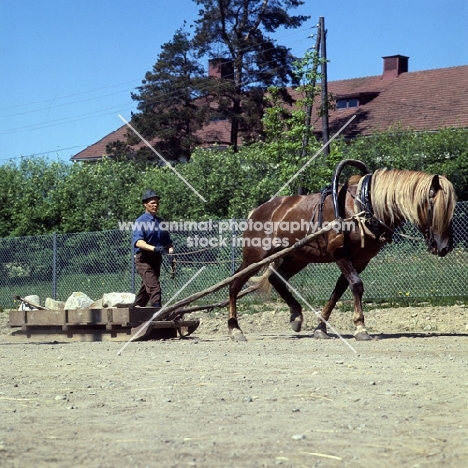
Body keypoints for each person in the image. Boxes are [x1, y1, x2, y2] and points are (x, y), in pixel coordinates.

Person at [132, 189, 174, 309]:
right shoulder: (140, 221)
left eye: (156, 203)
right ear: (145, 204)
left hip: (156, 259)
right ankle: (157, 313)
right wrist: (154, 248)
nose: (155, 205)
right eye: (152, 203)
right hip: (144, 259)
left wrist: (171, 253)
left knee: (147, 288)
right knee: (154, 287)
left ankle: (135, 310)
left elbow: (168, 242)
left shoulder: (161, 222)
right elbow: (139, 242)